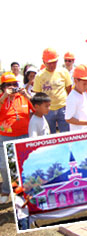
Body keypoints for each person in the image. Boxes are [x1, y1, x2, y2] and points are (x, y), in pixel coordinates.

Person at [0, 72, 33, 203]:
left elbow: (37, 108)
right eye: (8, 85)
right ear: (2, 87)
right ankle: (6, 190)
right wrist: (4, 97)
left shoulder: (23, 96)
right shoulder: (1, 98)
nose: (12, 87)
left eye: (14, 84)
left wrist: (27, 95)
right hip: (5, 136)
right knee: (4, 165)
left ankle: (24, 192)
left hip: (24, 135)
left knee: (23, 165)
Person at [33, 48, 72, 134]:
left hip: (63, 108)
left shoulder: (64, 72)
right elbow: (38, 95)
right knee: (49, 135)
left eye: (54, 62)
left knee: (66, 133)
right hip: (47, 110)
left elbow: (69, 89)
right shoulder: (39, 76)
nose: (52, 65)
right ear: (44, 62)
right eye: (49, 63)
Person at [65, 65, 87, 131]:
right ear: (76, 81)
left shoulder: (84, 93)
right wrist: (86, 123)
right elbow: (68, 119)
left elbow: (82, 112)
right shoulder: (72, 97)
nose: (86, 87)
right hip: (79, 134)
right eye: (84, 84)